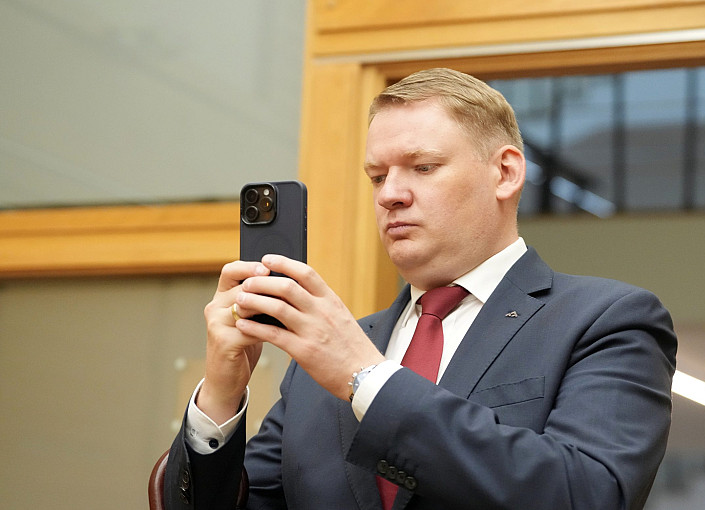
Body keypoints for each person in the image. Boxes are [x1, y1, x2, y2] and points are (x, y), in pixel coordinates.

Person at [164, 68, 677, 510]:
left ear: (505, 172)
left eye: (423, 167)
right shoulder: (317, 365)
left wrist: (365, 378)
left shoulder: (607, 320)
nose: (390, 194)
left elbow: (588, 494)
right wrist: (220, 395)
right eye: (376, 176)